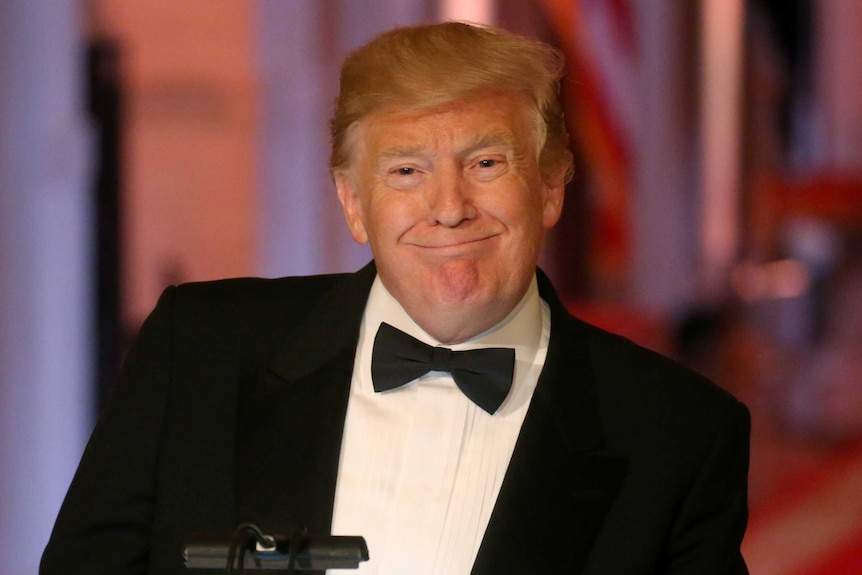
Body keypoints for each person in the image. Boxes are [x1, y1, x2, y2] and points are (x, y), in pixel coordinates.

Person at [41, 22, 750, 575]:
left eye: (486, 163)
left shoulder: (678, 433)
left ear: (552, 186)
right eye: (407, 169)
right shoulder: (195, 351)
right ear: (354, 203)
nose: (448, 207)